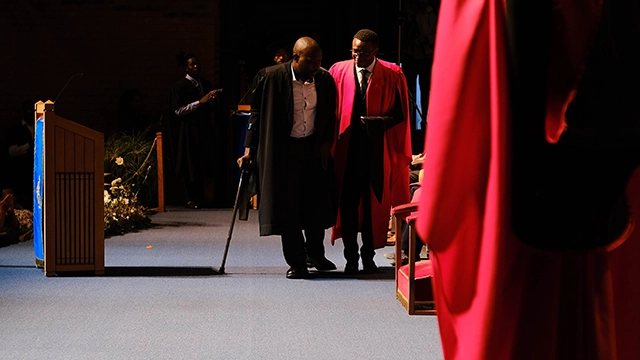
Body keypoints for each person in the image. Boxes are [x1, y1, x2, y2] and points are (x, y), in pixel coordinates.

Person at [237, 36, 338, 279]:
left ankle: (315, 253)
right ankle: (297, 261)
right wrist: (250, 149)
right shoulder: (270, 77)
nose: (316, 66)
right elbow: (256, 115)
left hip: (313, 148)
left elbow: (329, 114)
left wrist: (326, 143)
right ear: (296, 58)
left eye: (320, 60)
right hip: (284, 150)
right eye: (312, 61)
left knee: (315, 203)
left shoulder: (324, 79)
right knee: (288, 207)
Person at [329, 29, 412, 274]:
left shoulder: (392, 73)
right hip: (347, 151)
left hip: (376, 151)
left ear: (375, 52)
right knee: (347, 204)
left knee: (372, 204)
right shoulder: (338, 71)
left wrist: (380, 121)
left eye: (363, 53)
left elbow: (401, 114)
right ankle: (351, 258)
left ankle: (368, 257)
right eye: (354, 51)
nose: (357, 57)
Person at [169, 52, 222, 209]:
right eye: (192, 64)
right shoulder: (180, 86)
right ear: (185, 68)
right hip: (188, 130)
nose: (196, 67)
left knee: (202, 162)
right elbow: (178, 110)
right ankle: (190, 198)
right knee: (189, 163)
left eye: (197, 64)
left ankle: (201, 197)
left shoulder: (205, 83)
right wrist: (200, 102)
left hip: (204, 129)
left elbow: (211, 108)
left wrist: (213, 99)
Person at [4, 100, 35, 211]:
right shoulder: (16, 129)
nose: (30, 113)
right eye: (27, 110)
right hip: (21, 173)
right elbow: (11, 151)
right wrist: (28, 145)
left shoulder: (40, 127)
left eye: (32, 110)